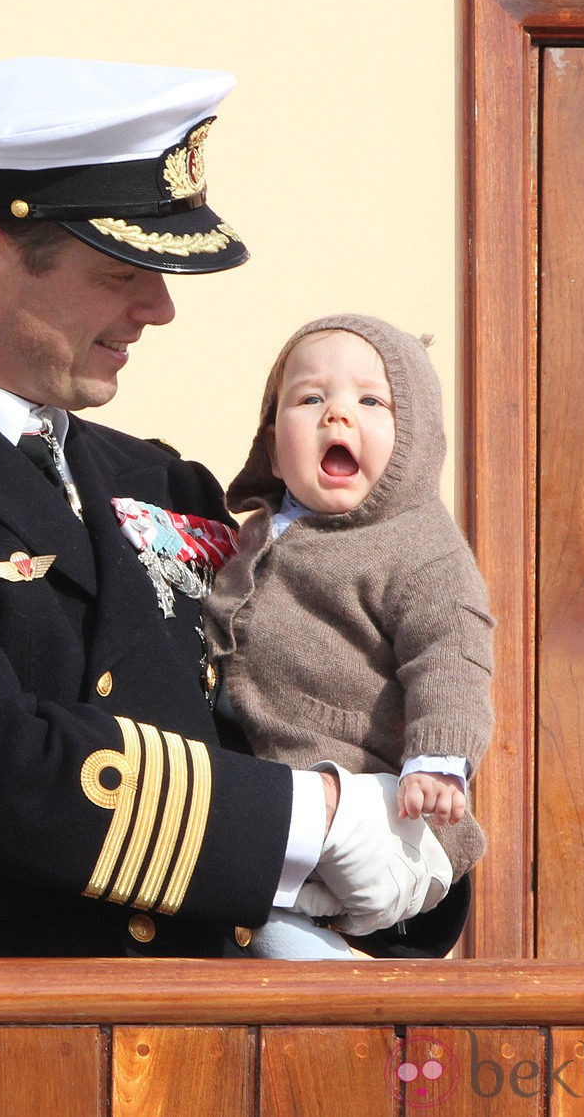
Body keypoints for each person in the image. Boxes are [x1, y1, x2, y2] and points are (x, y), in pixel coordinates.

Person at [0, 57, 465, 958]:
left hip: (257, 1035)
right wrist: (318, 819)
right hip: (26, 1036)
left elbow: (310, 691)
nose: (159, 308)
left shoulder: (164, 484)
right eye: (122, 270)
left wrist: (410, 823)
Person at [204, 315, 495, 958]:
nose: (338, 417)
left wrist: (439, 760)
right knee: (267, 927)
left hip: (390, 806)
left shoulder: (419, 546)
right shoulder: (260, 533)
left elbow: (453, 653)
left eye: (371, 401)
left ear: (415, 437)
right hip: (287, 818)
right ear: (275, 443)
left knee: (319, 892)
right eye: (310, 400)